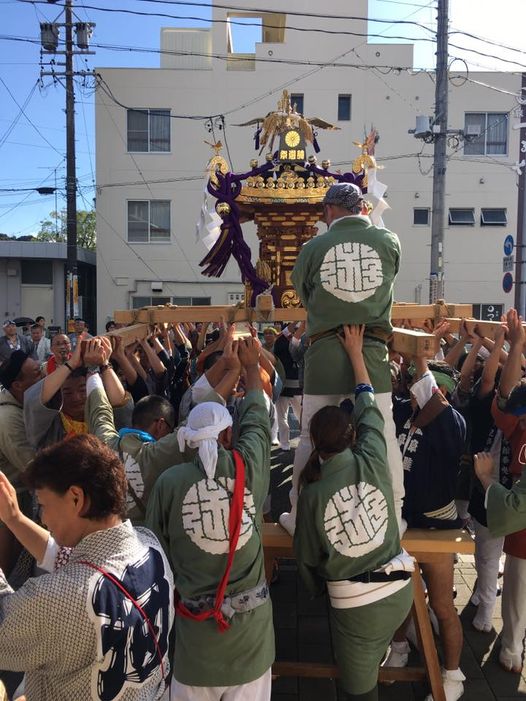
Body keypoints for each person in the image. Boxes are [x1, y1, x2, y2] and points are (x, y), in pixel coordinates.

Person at [146, 336, 274, 700]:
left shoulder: (169, 483)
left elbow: (157, 555)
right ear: (228, 434)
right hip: (251, 637)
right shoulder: (248, 469)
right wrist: (251, 367)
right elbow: (259, 425)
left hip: (194, 639)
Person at [0, 434, 174, 700]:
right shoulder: (149, 547)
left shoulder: (58, 599)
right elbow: (72, 560)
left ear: (76, 498)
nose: (43, 518)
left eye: (44, 506)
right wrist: (13, 518)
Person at [294, 325, 413, 701]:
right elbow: (369, 405)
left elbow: (308, 558)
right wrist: (357, 355)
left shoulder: (311, 492)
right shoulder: (374, 456)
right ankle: (398, 653)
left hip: (356, 607)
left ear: (314, 443)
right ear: (353, 435)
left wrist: (317, 591)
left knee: (358, 693)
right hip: (400, 590)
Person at [280, 182, 404, 536]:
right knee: (383, 432)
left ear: (329, 210)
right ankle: (394, 514)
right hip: (372, 350)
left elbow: (304, 291)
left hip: (324, 353)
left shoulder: (313, 248)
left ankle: (299, 512)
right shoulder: (389, 241)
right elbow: (390, 278)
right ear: (362, 208)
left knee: (309, 435)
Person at [87, 332, 242, 524]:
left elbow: (99, 412)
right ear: (160, 425)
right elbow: (200, 421)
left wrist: (95, 368)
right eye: (170, 428)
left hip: (109, 537)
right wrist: (234, 370)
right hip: (151, 542)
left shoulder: (105, 445)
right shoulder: (159, 454)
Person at [0, 352, 41, 573]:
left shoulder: (16, 407)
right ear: (18, 385)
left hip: (16, 494)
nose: (43, 378)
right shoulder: (8, 419)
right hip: (10, 497)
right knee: (4, 569)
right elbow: (30, 465)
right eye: (36, 374)